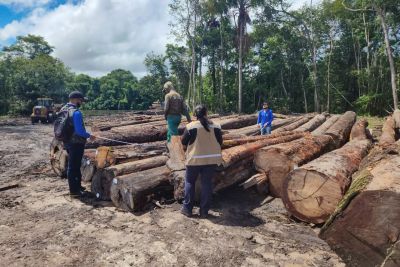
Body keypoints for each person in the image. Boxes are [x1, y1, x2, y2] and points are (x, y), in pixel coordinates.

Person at [180, 105, 223, 218]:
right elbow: (220, 142)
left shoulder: (191, 127)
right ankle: (204, 212)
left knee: (190, 182)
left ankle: (187, 209)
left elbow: (183, 142)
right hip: (211, 160)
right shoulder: (216, 126)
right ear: (206, 113)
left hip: (194, 160)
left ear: (194, 115)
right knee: (206, 184)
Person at [60, 91, 95, 198]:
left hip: (67, 141)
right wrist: (89, 135)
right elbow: (80, 131)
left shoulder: (63, 109)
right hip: (76, 143)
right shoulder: (76, 112)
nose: (81, 102)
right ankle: (74, 191)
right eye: (80, 100)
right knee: (73, 166)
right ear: (75, 99)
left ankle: (78, 186)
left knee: (74, 165)